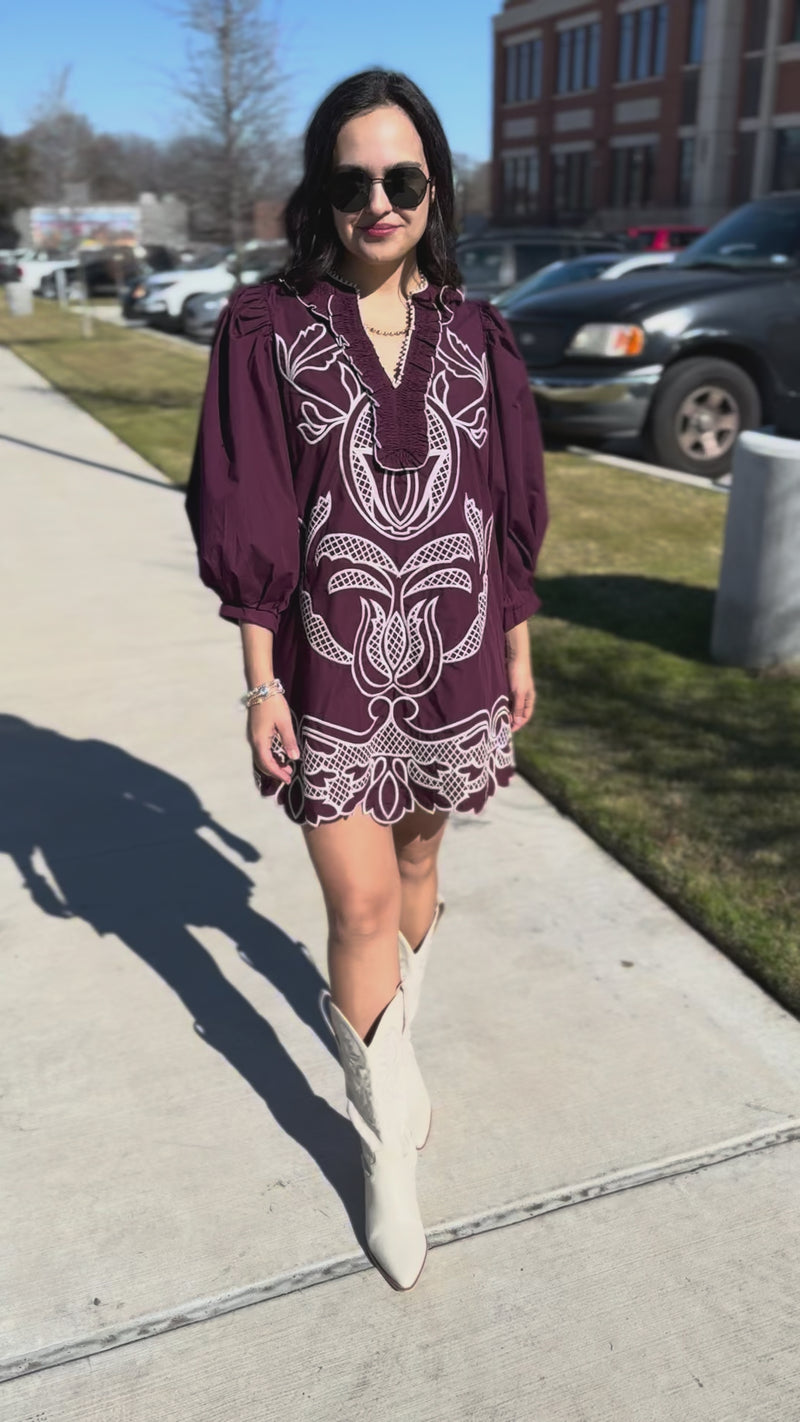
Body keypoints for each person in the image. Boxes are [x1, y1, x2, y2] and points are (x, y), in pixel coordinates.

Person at [186, 68, 548, 1293]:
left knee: (418, 871)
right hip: (327, 664)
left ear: (434, 188)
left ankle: (397, 1046)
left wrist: (516, 647)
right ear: (321, 196)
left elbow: (502, 506)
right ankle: (386, 1143)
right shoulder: (267, 327)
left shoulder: (478, 334)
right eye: (352, 183)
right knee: (357, 903)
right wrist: (258, 684)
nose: (378, 202)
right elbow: (247, 506)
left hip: (456, 655)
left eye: (401, 179)